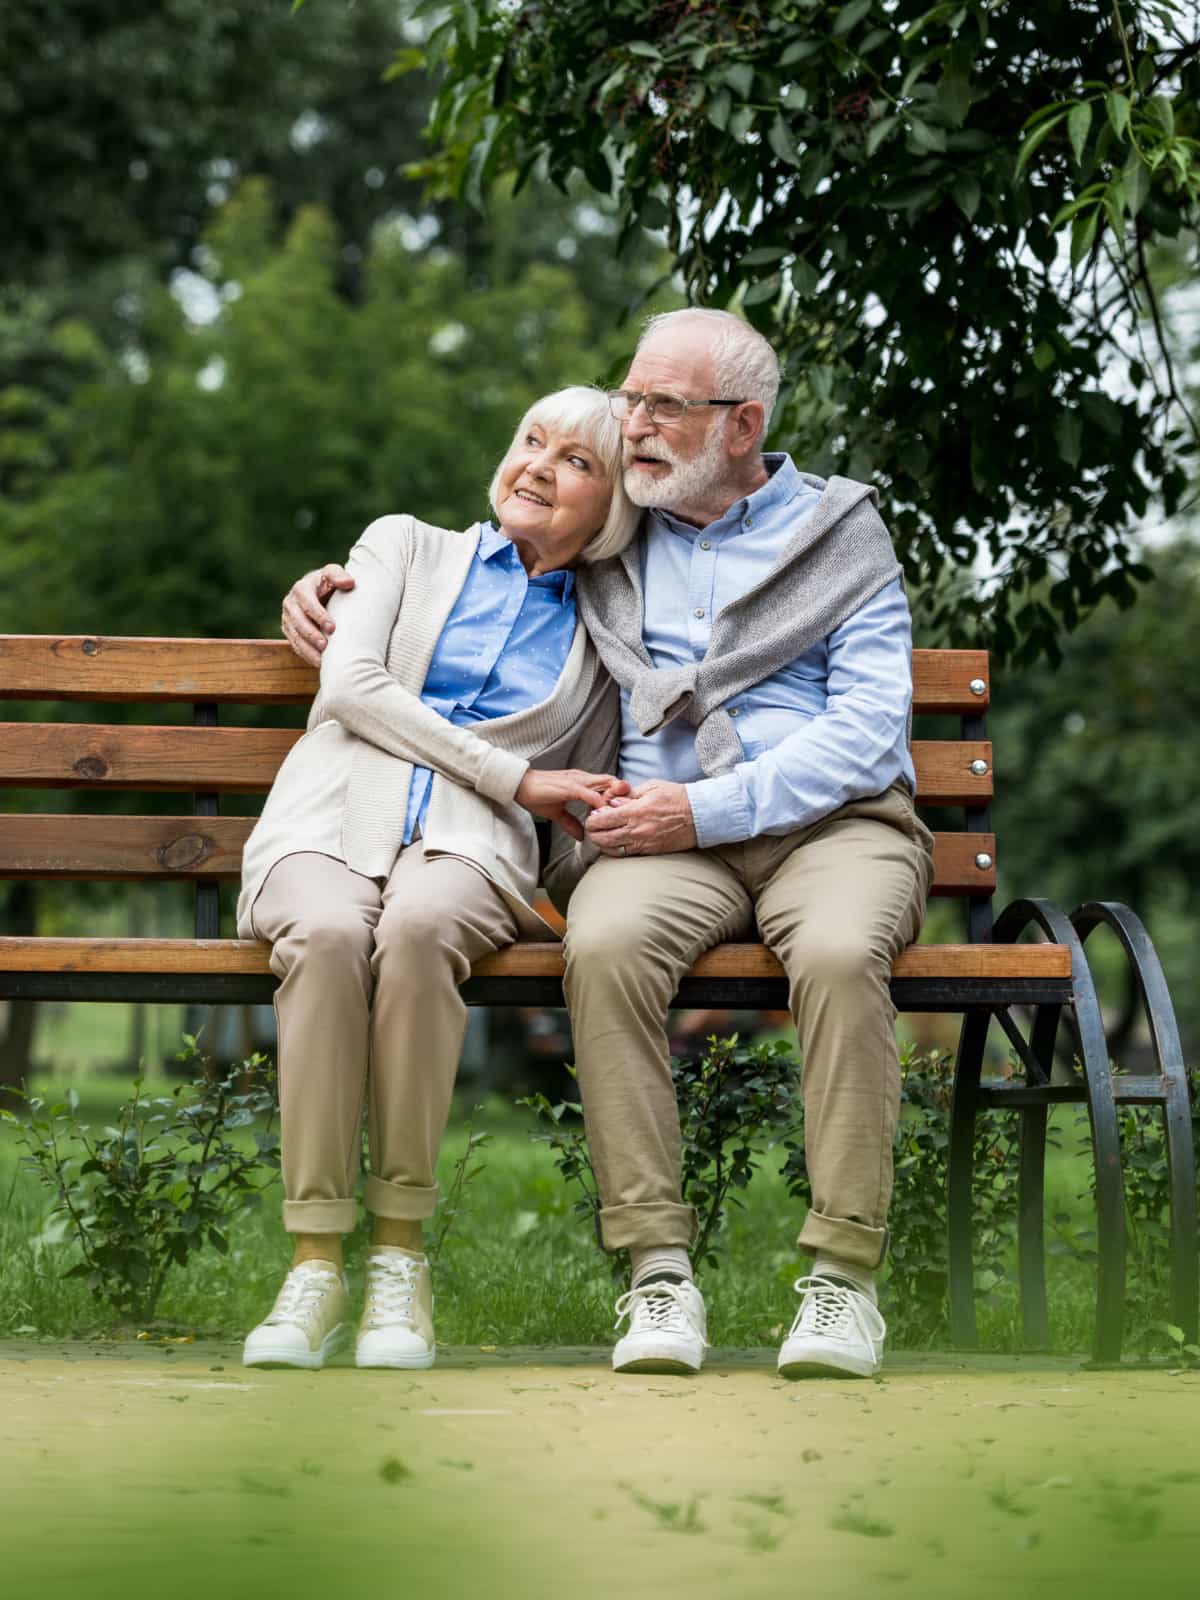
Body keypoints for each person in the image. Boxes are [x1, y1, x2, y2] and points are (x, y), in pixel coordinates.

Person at [283, 311, 935, 1383]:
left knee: (833, 953)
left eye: (661, 406)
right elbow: (498, 551)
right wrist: (327, 592)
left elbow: (868, 732)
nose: (632, 424)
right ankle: (656, 1268)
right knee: (604, 945)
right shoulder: (620, 533)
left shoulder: (839, 534)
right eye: (630, 400)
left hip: (834, 825)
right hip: (660, 834)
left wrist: (706, 808)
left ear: (743, 425)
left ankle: (843, 1280)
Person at [241, 386, 639, 1371]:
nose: (540, 465)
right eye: (530, 441)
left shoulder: (611, 630)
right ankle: (316, 1262)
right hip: (328, 810)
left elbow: (591, 793)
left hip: (470, 845)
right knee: (330, 937)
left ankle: (400, 1260)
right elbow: (352, 685)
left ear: (616, 508)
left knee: (418, 932)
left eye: (577, 461)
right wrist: (521, 777)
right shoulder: (403, 545)